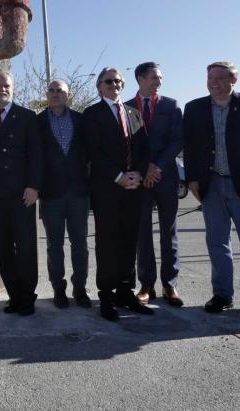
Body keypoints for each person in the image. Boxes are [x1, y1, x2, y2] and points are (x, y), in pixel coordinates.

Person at [183, 61, 240, 319]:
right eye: (210, 77)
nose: (214, 82)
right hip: (211, 184)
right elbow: (189, 147)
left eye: (221, 78)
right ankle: (222, 294)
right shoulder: (194, 108)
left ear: (233, 80)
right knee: (216, 242)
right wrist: (192, 178)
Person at [82, 67, 154, 321]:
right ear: (99, 86)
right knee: (107, 243)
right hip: (107, 190)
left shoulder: (134, 113)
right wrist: (118, 177)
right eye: (109, 81)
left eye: (118, 81)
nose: (115, 85)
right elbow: (93, 152)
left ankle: (126, 291)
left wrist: (137, 173)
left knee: (129, 241)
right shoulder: (91, 114)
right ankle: (107, 295)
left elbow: (144, 149)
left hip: (133, 189)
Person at [0, 70, 42, 316]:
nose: (2, 89)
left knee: (25, 247)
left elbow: (37, 155)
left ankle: (27, 296)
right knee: (2, 247)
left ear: (12, 88)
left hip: (22, 194)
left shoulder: (27, 117)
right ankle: (14, 295)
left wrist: (34, 186)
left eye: (6, 85)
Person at [131, 62, 185, 307]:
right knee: (142, 232)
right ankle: (146, 284)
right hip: (140, 180)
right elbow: (127, 145)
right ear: (140, 78)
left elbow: (177, 141)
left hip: (165, 177)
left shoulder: (171, 106)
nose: (159, 82)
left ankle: (170, 284)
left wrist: (157, 166)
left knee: (169, 232)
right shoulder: (127, 108)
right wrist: (145, 170)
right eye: (154, 77)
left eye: (160, 78)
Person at [37, 79, 92, 309]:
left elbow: (90, 154)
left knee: (80, 244)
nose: (55, 94)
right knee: (54, 245)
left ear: (68, 94)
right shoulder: (36, 122)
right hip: (51, 194)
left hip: (79, 193)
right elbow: (34, 158)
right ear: (47, 94)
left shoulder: (81, 120)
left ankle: (80, 288)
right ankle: (58, 289)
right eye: (51, 90)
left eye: (60, 90)